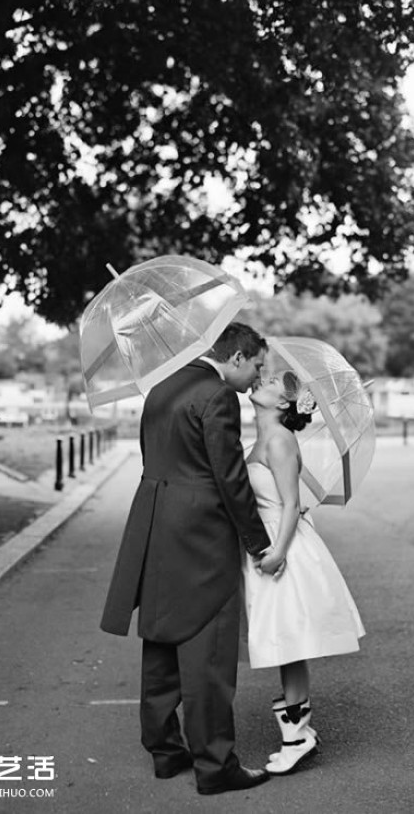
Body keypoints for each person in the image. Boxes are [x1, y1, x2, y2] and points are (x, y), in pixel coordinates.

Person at [100, 322, 273, 795]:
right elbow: (230, 478)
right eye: (257, 364)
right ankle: (215, 767)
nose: (258, 376)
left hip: (154, 526)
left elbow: (153, 456)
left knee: (160, 640)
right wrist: (259, 543)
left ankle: (165, 751)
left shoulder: (161, 387)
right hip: (200, 537)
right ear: (235, 358)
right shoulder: (217, 396)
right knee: (208, 654)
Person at [243, 370, 365, 775]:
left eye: (273, 380)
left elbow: (292, 504)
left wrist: (277, 553)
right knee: (285, 641)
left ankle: (297, 737)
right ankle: (299, 735)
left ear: (282, 403)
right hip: (275, 543)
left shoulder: (277, 439)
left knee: (289, 640)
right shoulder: (263, 437)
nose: (262, 379)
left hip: (285, 548)